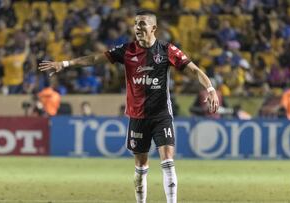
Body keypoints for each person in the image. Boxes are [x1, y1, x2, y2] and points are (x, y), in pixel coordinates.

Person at [39, 10, 219, 203]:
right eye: (135, 24)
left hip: (161, 115)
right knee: (141, 168)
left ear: (154, 28)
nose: (137, 28)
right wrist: (65, 63)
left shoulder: (167, 50)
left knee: (168, 160)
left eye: (142, 24)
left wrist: (210, 88)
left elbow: (194, 70)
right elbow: (94, 59)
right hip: (138, 116)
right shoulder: (126, 51)